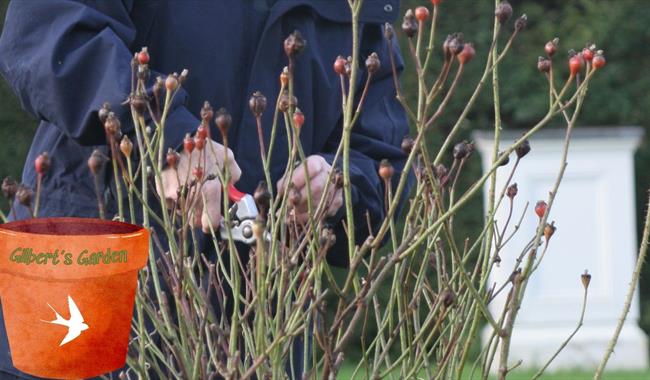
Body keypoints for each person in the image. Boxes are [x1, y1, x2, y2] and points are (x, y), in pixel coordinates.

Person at [0, 0, 410, 378]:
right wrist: (165, 136)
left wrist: (342, 184)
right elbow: (50, 33)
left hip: (258, 330)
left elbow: (382, 153)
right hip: (84, 274)